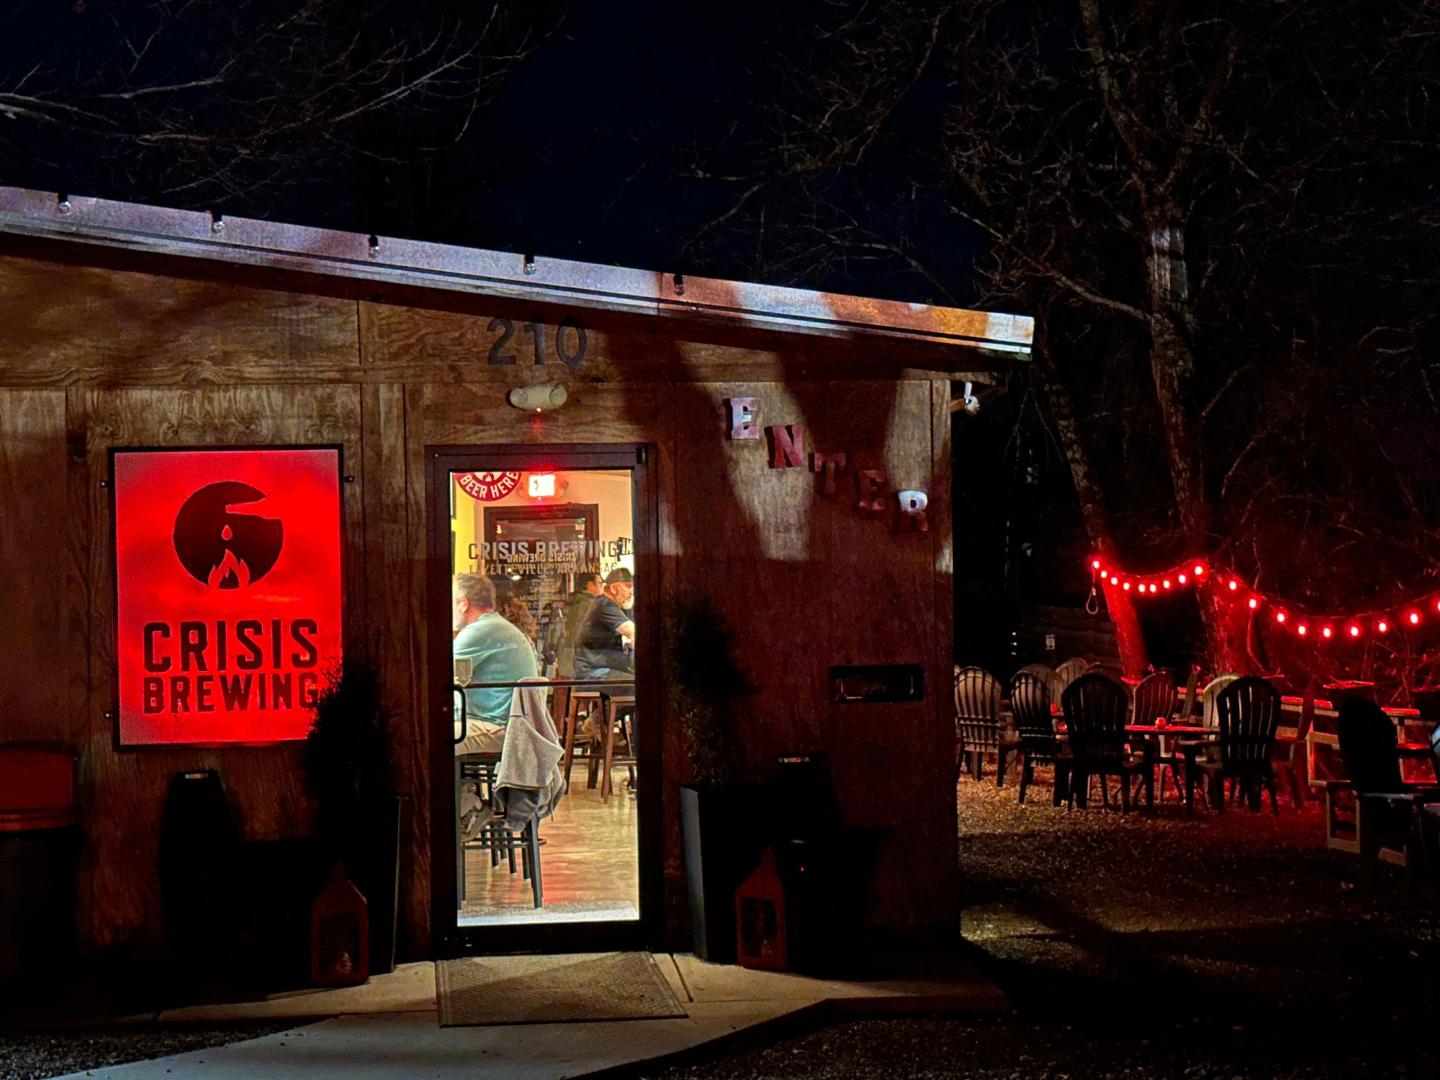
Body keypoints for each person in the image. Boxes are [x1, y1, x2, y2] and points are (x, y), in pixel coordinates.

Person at [453, 572, 538, 755]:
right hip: (511, 725)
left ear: (464, 604)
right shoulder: (496, 626)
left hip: (498, 728)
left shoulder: (478, 631)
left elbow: (439, 678)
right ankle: (459, 784)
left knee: (427, 736)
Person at [574, 567, 635, 679]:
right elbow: (632, 631)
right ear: (613, 588)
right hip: (592, 672)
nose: (632, 592)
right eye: (628, 586)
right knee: (638, 685)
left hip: (602, 669)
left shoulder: (611, 605)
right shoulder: (604, 605)